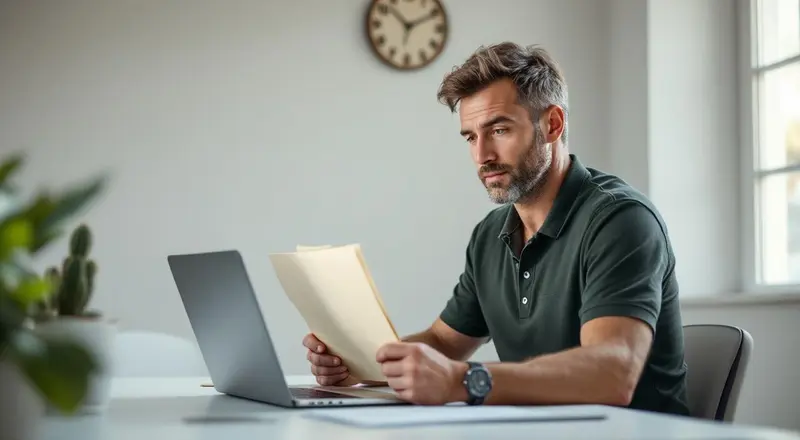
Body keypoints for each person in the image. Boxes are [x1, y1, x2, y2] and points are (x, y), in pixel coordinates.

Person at [302, 42, 689, 415]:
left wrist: (465, 381)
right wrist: (361, 363)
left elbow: (612, 375)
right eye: (471, 136)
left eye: (499, 130)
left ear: (552, 125)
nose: (482, 155)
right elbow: (442, 342)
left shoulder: (620, 220)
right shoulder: (490, 235)